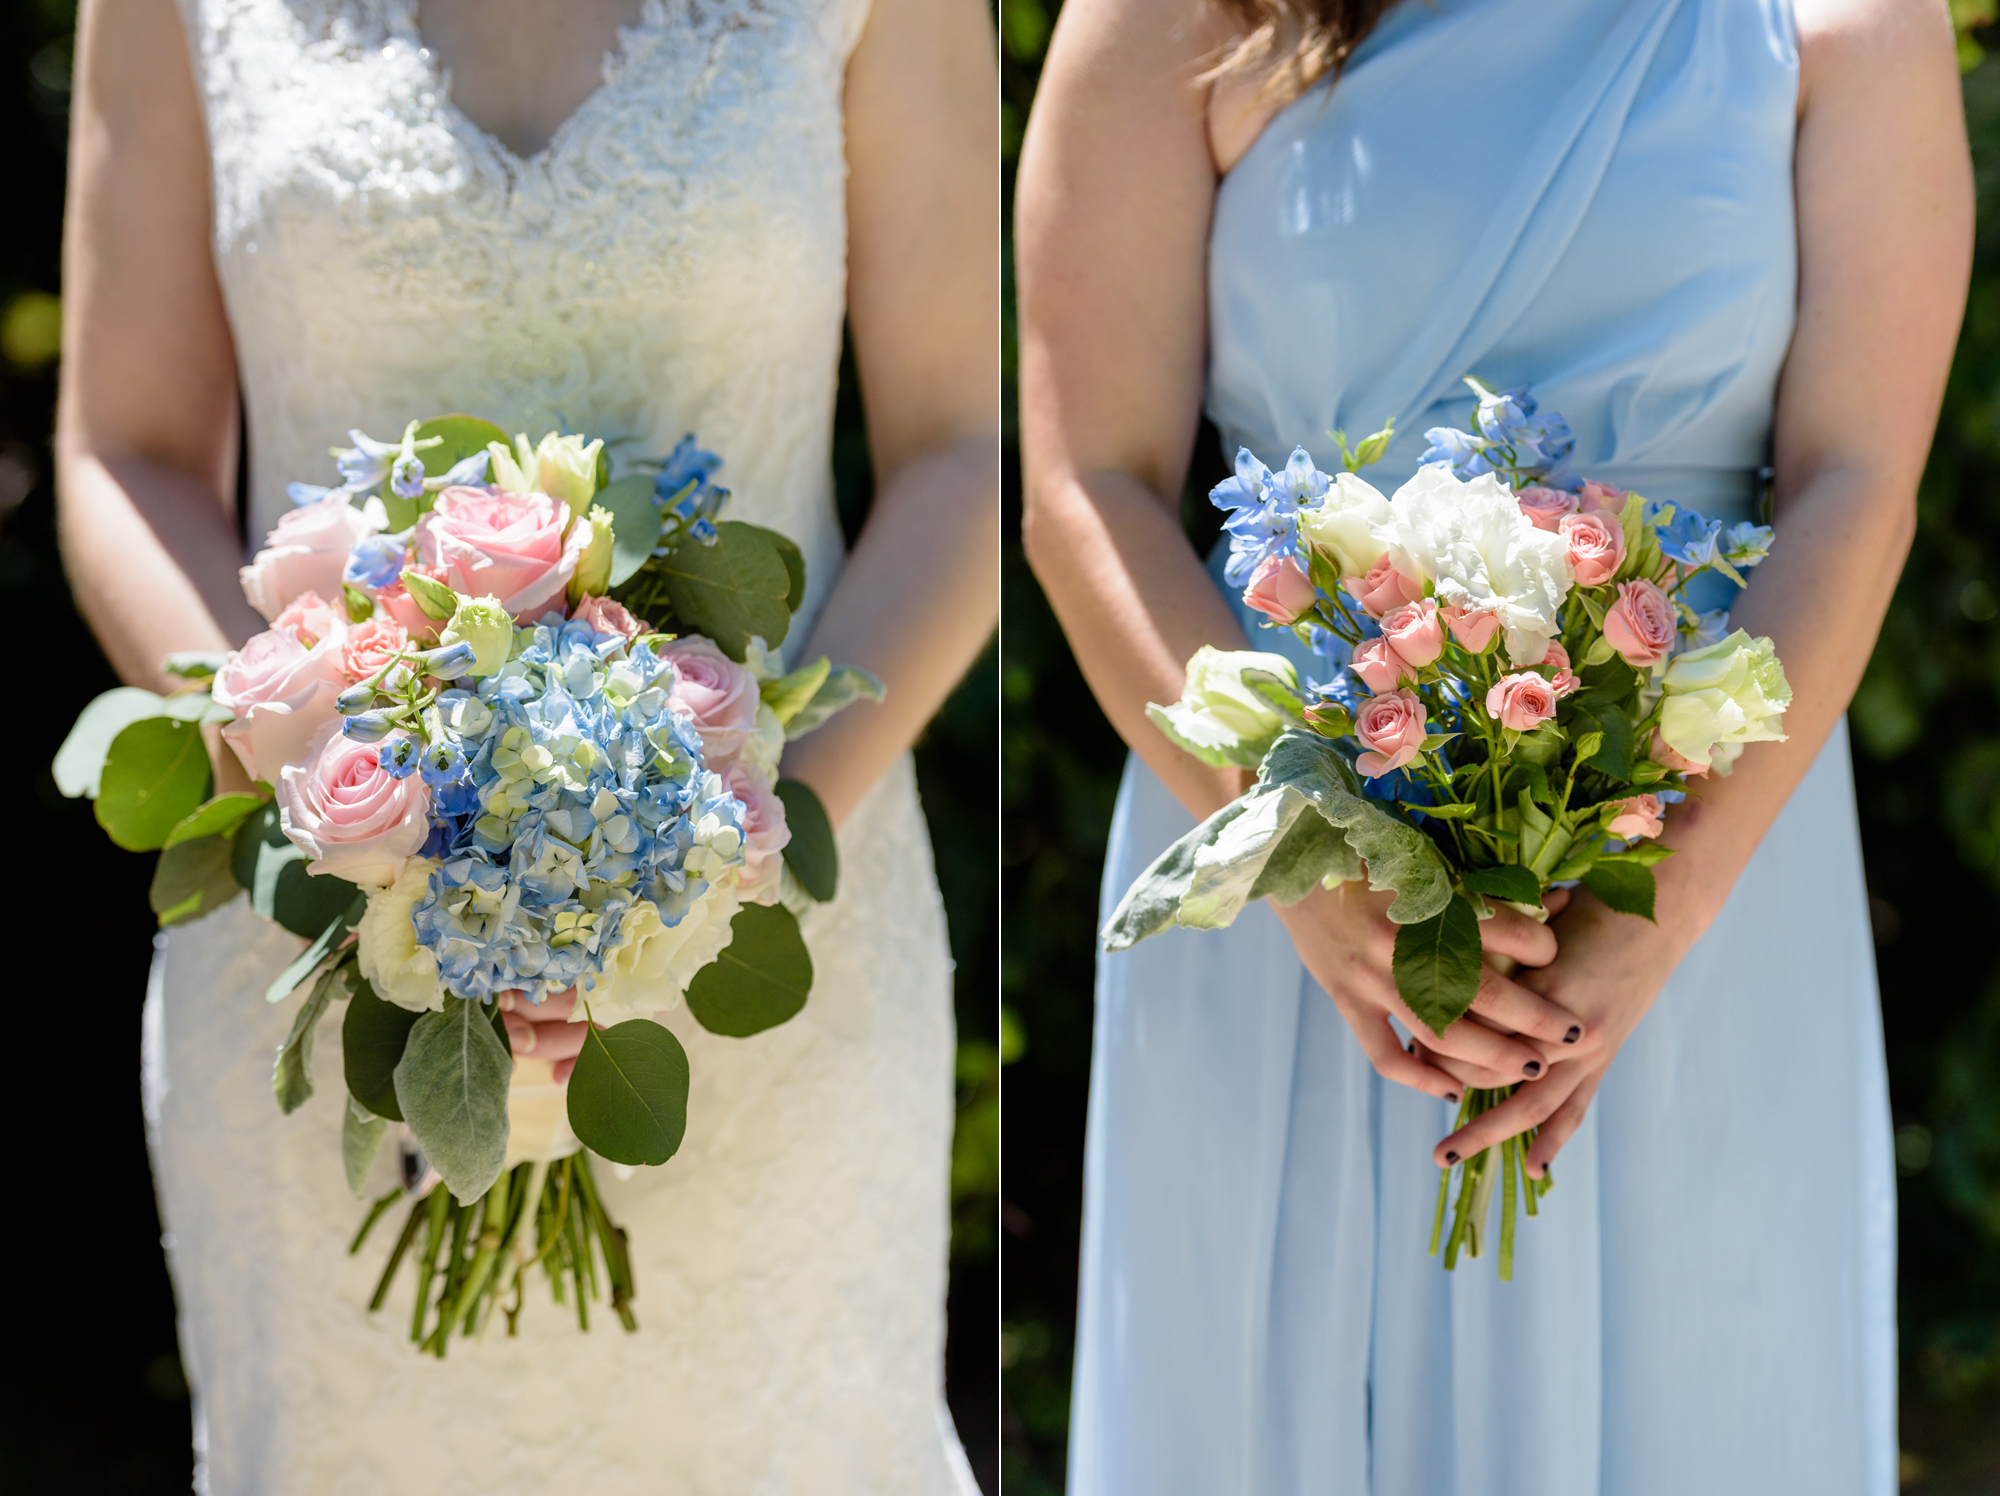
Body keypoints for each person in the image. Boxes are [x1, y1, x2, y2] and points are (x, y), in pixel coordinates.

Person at [1017, 0, 1968, 1490]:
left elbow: (1859, 474)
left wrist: (1672, 901)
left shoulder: (1844, 19)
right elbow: (1087, 482)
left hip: (1700, 872)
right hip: (1287, 876)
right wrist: (1305, 870)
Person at [57, 0, 997, 1489]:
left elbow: (958, 451)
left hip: (780, 952)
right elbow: (125, 449)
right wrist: (313, 789)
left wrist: (707, 864)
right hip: (316, 956)